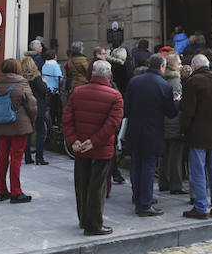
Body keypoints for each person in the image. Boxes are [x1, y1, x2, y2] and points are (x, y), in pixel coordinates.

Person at [63, 60, 124, 236]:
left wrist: (73, 140)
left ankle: (84, 220)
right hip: (100, 148)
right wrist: (94, 141)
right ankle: (94, 224)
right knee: (97, 187)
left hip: (80, 147)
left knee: (82, 184)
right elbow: (112, 124)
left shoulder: (77, 92)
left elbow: (67, 118)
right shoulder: (115, 96)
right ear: (109, 76)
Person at [124, 54, 178, 216]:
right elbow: (171, 113)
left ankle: (138, 196)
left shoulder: (134, 81)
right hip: (153, 130)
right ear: (162, 67)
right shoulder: (164, 86)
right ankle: (145, 204)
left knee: (136, 164)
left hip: (134, 129)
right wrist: (176, 101)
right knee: (148, 166)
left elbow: (126, 108)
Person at [180, 54, 212, 220]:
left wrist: (183, 128)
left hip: (198, 134)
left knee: (197, 172)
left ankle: (200, 207)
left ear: (193, 66)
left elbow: (188, 111)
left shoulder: (193, 82)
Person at [0, 58, 38, 203]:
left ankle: (1, 190)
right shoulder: (22, 83)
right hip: (19, 125)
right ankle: (16, 192)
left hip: (1, 124)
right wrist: (32, 120)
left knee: (2, 156)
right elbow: (31, 105)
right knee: (16, 158)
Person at [158, 52, 186, 195]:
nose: (181, 65)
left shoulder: (163, 79)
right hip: (174, 122)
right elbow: (177, 103)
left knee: (165, 154)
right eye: (179, 63)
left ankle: (164, 182)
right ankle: (175, 184)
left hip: (163, 122)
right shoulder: (175, 81)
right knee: (175, 155)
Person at [21, 55, 50, 165]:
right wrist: (45, 82)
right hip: (37, 107)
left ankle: (27, 157)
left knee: (27, 133)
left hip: (25, 107)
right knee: (40, 132)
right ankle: (39, 157)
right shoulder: (36, 77)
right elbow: (44, 90)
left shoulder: (21, 78)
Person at [41, 49, 63, 127]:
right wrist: (61, 83)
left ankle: (51, 124)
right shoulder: (55, 65)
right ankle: (56, 125)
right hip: (55, 89)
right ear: (54, 56)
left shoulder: (44, 65)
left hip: (47, 88)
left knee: (50, 108)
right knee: (58, 108)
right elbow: (59, 78)